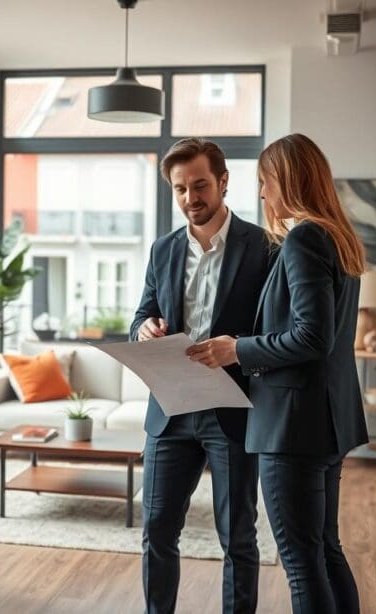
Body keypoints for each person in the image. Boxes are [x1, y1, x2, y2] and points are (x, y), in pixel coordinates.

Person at [187, 133, 369, 614]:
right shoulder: (338, 237)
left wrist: (236, 349)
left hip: (293, 428)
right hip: (326, 423)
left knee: (301, 560)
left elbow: (312, 337)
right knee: (326, 551)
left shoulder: (306, 236)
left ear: (286, 180)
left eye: (265, 182)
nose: (263, 194)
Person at [131, 138, 273, 614]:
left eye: (200, 185)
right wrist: (144, 328)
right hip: (170, 412)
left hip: (231, 409)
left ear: (224, 182)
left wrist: (238, 354)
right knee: (157, 532)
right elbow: (142, 314)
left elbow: (273, 331)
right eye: (180, 189)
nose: (191, 197)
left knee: (237, 537)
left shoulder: (263, 247)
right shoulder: (163, 249)